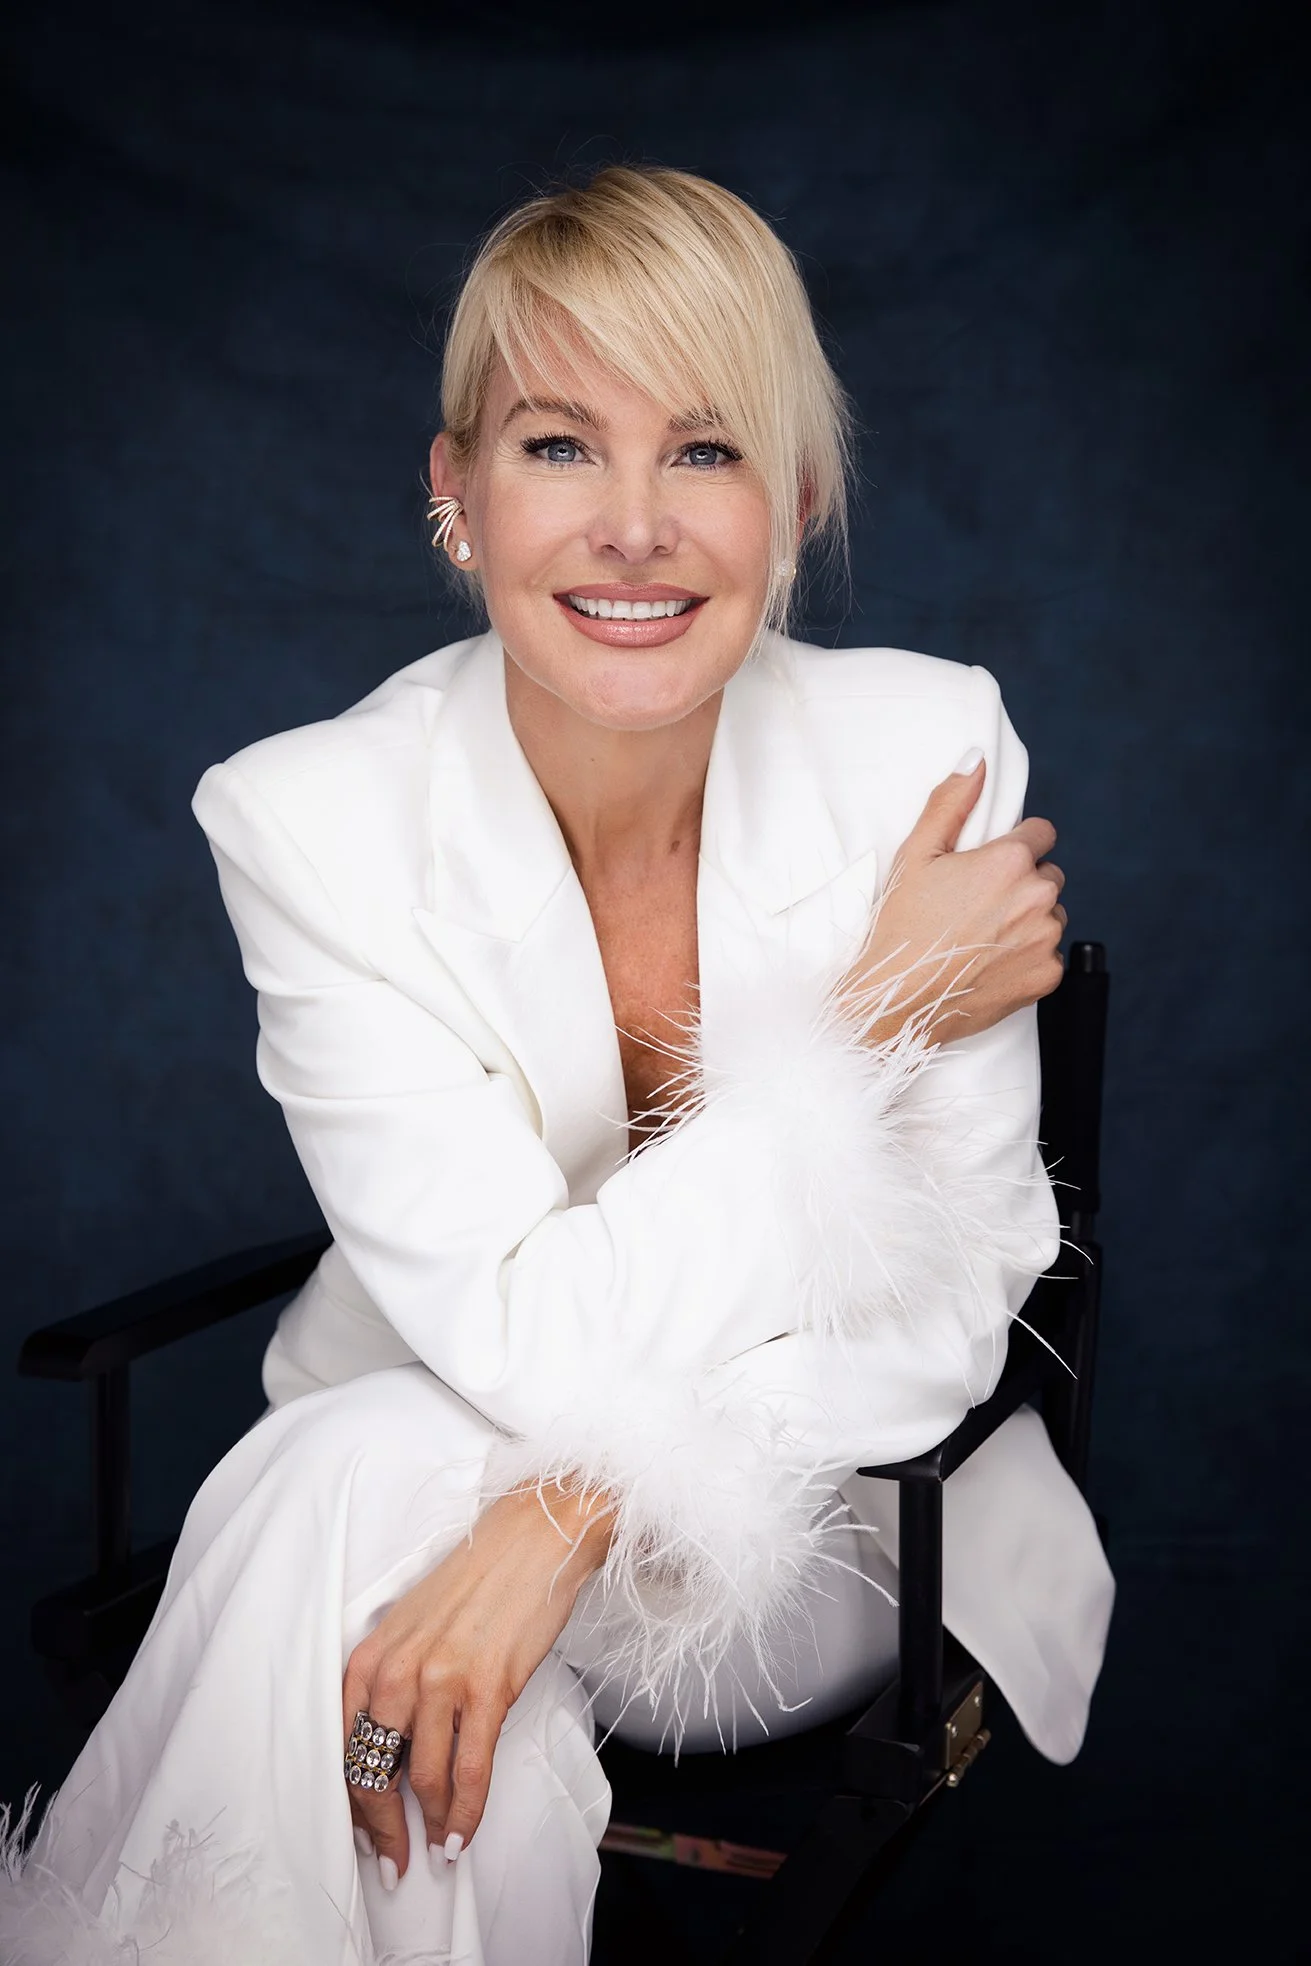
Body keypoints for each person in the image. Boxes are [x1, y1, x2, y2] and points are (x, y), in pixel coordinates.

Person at [0, 164, 1114, 1965]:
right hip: (425, 1481)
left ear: (796, 498)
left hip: (821, 1532)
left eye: (702, 449)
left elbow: (949, 1297)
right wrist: (853, 1023)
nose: (631, 528)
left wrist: (569, 1507)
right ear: (455, 496)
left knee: (346, 1473)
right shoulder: (307, 818)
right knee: (368, 1474)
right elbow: (523, 1339)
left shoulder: (924, 746)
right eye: (554, 446)